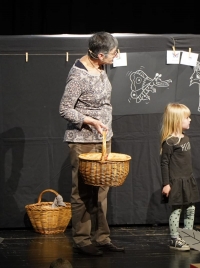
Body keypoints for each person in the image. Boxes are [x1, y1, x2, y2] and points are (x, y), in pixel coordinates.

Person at [59, 32, 124, 256]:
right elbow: (65, 109)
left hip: (103, 139)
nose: (117, 55)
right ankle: (82, 239)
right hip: (83, 141)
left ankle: (102, 237)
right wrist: (90, 121)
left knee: (102, 190)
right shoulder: (78, 74)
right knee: (83, 192)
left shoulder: (100, 67)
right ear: (99, 55)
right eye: (115, 53)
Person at [160, 103, 200, 251]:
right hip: (175, 181)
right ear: (177, 120)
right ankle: (174, 239)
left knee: (190, 209)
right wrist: (166, 183)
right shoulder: (170, 142)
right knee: (177, 210)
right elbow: (164, 163)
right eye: (187, 118)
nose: (190, 120)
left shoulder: (186, 138)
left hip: (188, 180)